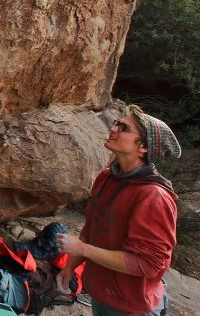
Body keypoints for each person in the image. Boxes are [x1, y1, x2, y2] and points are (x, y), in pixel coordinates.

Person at [55, 105, 182, 316]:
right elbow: (92, 229)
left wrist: (82, 249)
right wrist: (70, 266)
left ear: (142, 147)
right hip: (103, 295)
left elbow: (148, 264)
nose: (113, 129)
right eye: (117, 123)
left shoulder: (153, 196)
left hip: (133, 307)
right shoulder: (107, 177)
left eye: (124, 128)